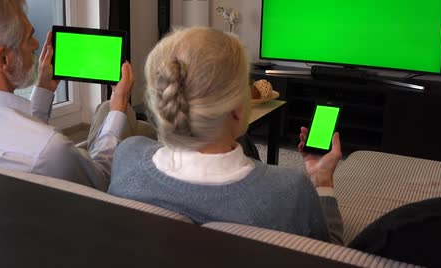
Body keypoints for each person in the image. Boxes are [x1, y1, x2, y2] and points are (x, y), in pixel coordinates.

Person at [108, 27, 344, 244]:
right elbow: (331, 255)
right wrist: (323, 182)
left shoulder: (127, 155)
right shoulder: (290, 192)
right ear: (238, 108)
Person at [0, 0, 154, 191]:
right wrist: (119, 103)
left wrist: (43, 88)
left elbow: (18, 135)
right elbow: (101, 179)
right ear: (4, 59)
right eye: (28, 37)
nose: (36, 45)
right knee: (119, 116)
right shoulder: (50, 149)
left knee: (137, 127)